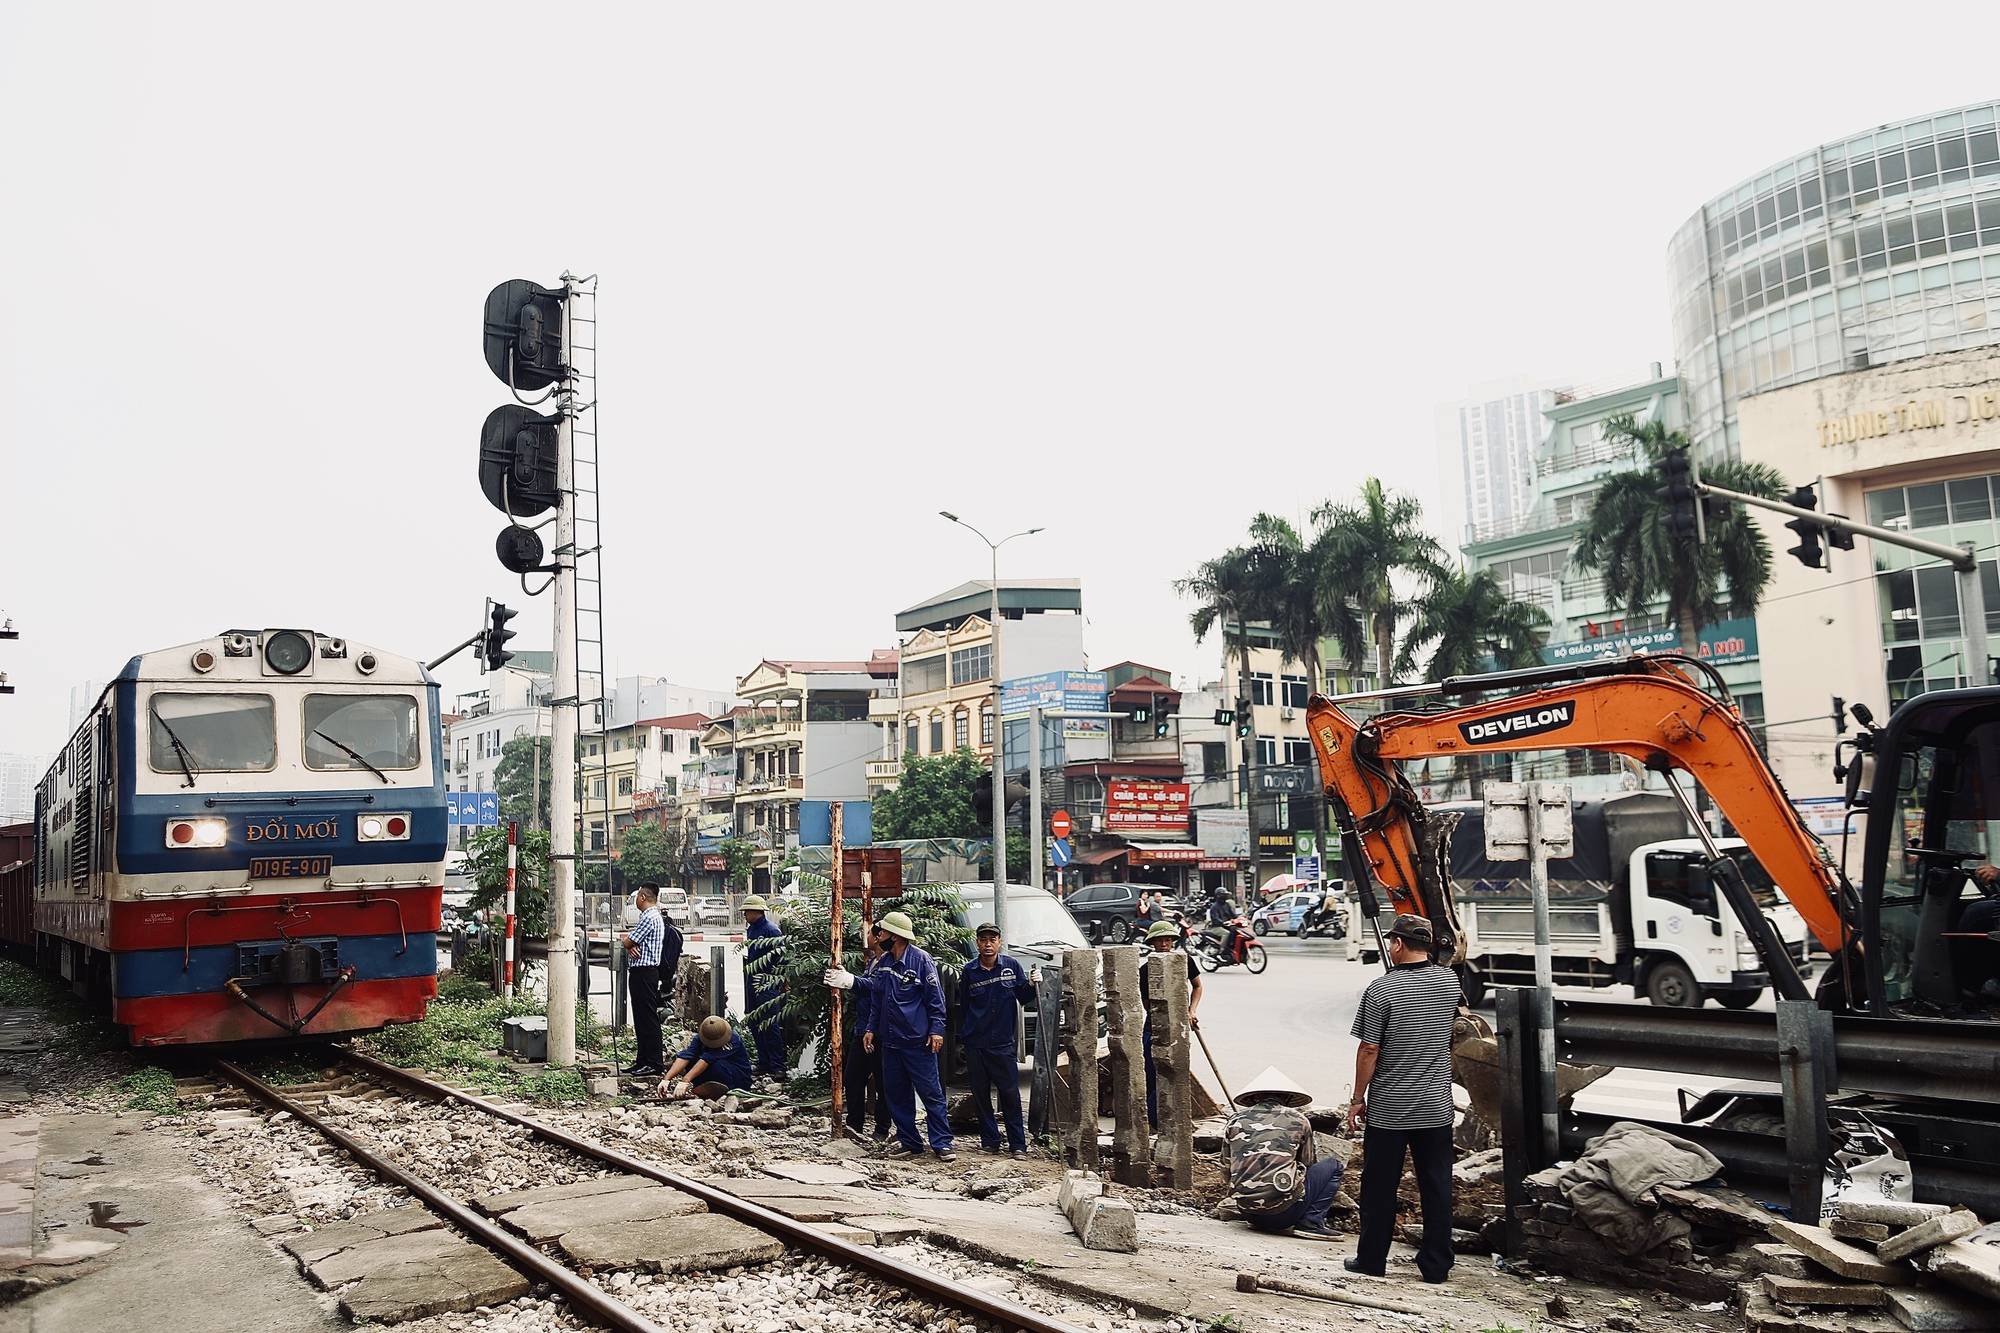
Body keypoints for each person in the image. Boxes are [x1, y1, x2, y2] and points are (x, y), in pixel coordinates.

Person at [1347, 913, 1461, 1284]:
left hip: (1390, 1111)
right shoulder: (1449, 983)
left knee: (1379, 1186)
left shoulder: (1381, 990)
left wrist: (1357, 1098)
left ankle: (1372, 1261)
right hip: (1436, 1108)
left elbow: (1368, 1050)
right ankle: (1436, 1266)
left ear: (1396, 944)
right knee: (1437, 1184)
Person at [823, 910, 955, 1161]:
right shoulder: (884, 964)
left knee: (931, 1093)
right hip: (891, 1042)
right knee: (896, 1094)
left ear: (894, 936)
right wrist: (871, 1028)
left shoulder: (921, 961)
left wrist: (936, 1030)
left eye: (882, 932)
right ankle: (910, 1141)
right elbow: (877, 999)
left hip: (917, 1042)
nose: (877, 935)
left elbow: (936, 1000)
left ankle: (942, 1143)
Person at [1224, 1066, 1344, 1241]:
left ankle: (1260, 1216)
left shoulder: (1235, 1120)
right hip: (1284, 1214)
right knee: (1334, 1166)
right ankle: (1312, 1222)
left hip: (1246, 1211)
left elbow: (1226, 1168)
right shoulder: (1300, 1120)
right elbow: (1307, 1163)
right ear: (1287, 1097)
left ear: (1255, 1097)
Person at [958, 922, 1030, 1156]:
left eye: (993, 939)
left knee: (1010, 1095)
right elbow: (965, 1007)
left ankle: (1018, 1145)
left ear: (999, 942)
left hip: (1002, 1044)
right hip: (976, 1044)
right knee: (981, 1095)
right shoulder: (969, 971)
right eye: (983, 940)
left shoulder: (1011, 966)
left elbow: (1024, 997)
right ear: (977, 942)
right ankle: (990, 1142)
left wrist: (1032, 983)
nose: (988, 944)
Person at [1141, 919, 1202, 1128]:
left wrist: (1190, 1010)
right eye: (1160, 941)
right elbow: (1148, 1005)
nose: (1164, 944)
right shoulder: (1145, 970)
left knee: (1176, 1075)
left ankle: (1172, 1121)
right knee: (1153, 1077)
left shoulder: (1185, 962)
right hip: (1154, 1030)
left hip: (1179, 1030)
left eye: (1168, 940)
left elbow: (1197, 986)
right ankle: (1154, 1123)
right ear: (1153, 943)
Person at [841, 932, 892, 1140]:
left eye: (870, 933)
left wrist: (851, 981)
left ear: (878, 937)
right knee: (852, 1077)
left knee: (883, 1082)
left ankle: (882, 1128)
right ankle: (854, 1125)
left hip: (880, 1031)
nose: (867, 937)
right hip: (862, 1029)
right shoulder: (872, 960)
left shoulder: (888, 963)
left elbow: (874, 988)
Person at [619, 884, 667, 1077]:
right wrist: (631, 946)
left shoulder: (649, 917)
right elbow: (633, 944)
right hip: (642, 971)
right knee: (640, 1018)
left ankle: (654, 1062)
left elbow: (627, 941)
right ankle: (642, 1060)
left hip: (645, 973)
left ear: (642, 896)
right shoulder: (650, 917)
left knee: (647, 1018)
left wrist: (629, 945)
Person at [741, 895, 787, 1078]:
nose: (744, 915)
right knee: (754, 1023)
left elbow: (782, 958)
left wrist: (781, 980)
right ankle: (764, 1061)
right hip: (752, 981)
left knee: (770, 1024)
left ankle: (778, 1066)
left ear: (755, 911)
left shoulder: (771, 931)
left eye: (746, 911)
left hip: (767, 983)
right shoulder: (751, 930)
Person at [661, 1015, 754, 1099]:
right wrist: (666, 1079)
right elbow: (686, 1056)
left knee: (718, 1065)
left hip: (738, 1077)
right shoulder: (699, 1038)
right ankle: (704, 1089)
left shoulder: (733, 1039)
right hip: (713, 1074)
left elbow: (707, 1059)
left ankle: (730, 1094)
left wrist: (686, 1080)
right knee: (692, 1062)